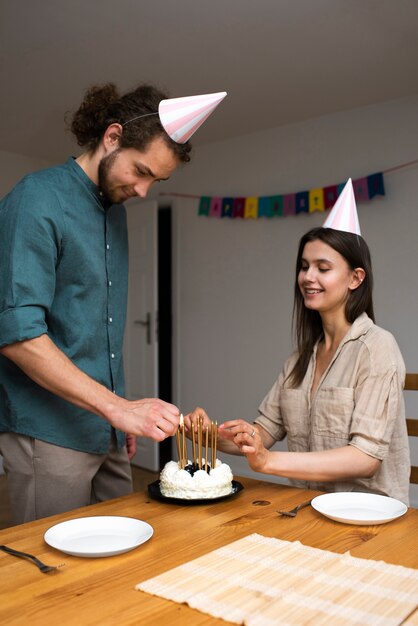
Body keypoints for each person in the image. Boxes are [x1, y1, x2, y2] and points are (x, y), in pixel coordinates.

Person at [0, 83, 225, 523]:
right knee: (53, 572)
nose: (143, 191)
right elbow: (18, 335)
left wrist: (118, 412)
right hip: (48, 432)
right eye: (140, 171)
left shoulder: (115, 211)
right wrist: (118, 408)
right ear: (112, 137)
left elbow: (98, 325)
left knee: (123, 553)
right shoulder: (36, 199)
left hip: (107, 428)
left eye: (156, 181)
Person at [187, 180, 410, 504]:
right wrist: (208, 435)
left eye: (323, 268)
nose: (308, 277)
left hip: (368, 515)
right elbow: (261, 434)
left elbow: (365, 458)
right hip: (305, 508)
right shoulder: (299, 360)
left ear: (355, 278)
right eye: (304, 267)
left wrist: (269, 461)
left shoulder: (377, 348)